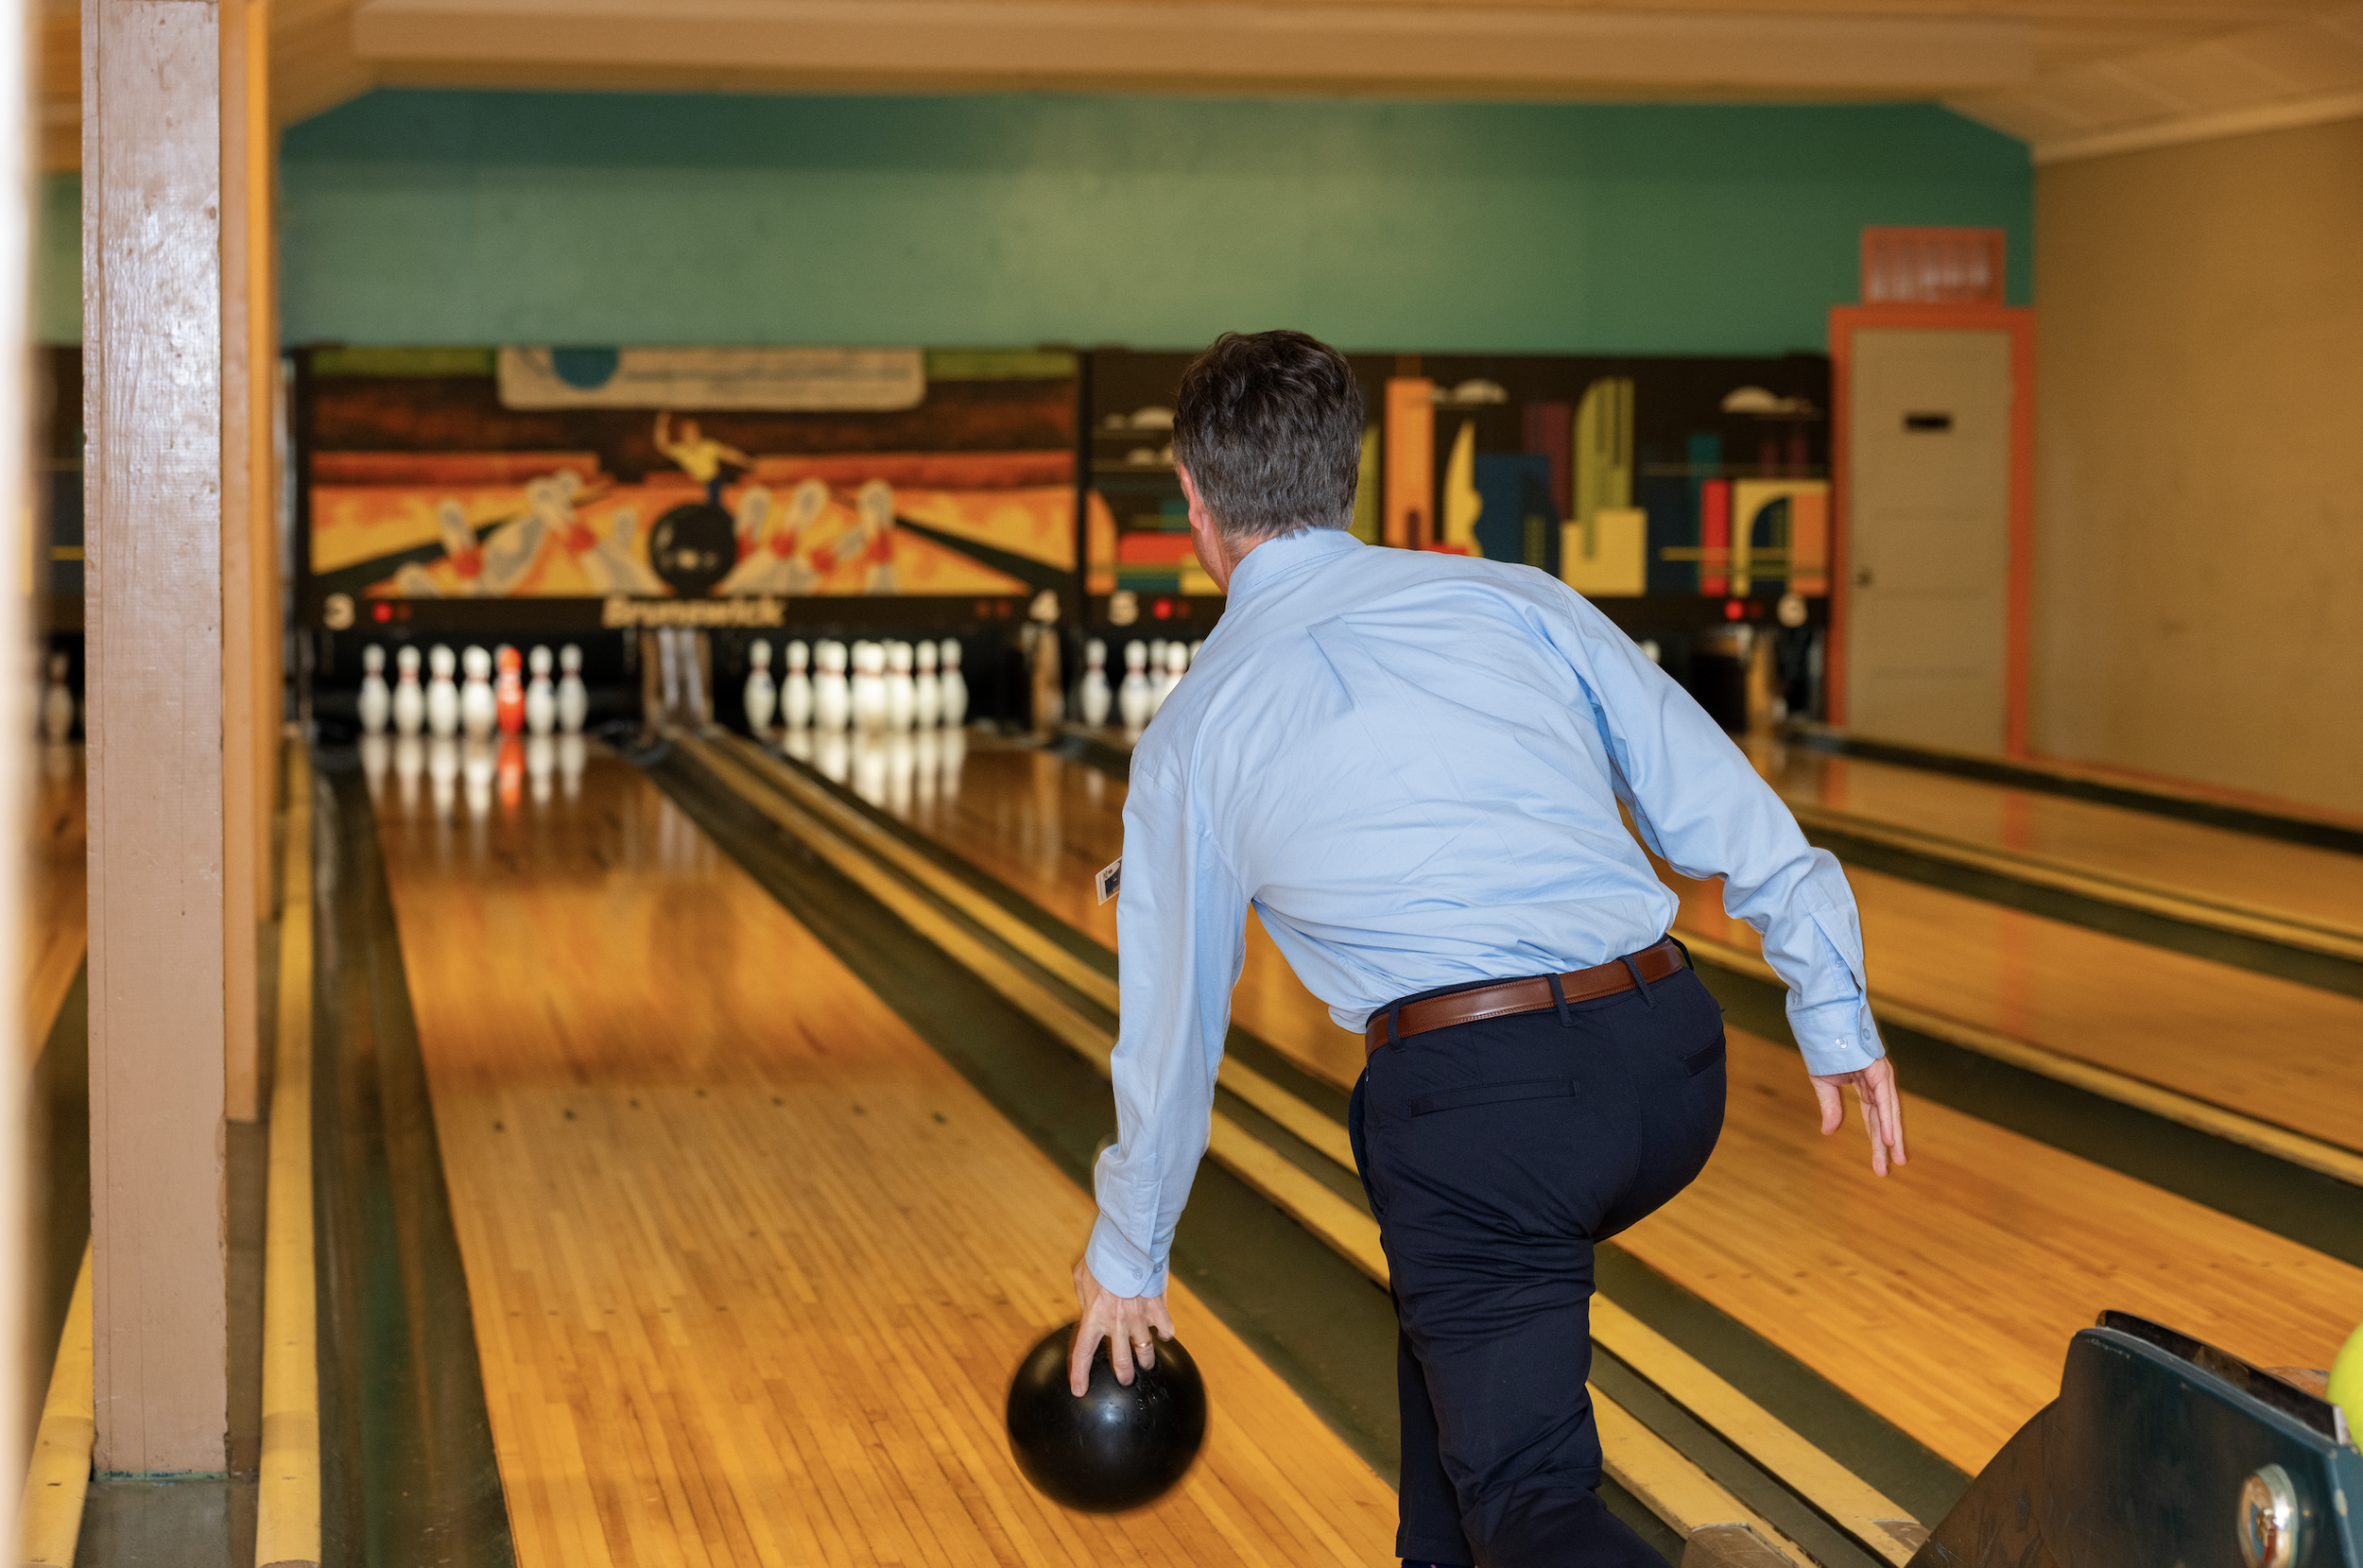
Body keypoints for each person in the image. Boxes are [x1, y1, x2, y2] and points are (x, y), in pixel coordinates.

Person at [1066, 331, 1906, 1567]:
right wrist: (1833, 1003)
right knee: (1454, 1342)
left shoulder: (1196, 730)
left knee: (1528, 1494)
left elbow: (1173, 1034)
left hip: (1486, 1107)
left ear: (1191, 495)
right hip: (1671, 1060)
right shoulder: (1515, 597)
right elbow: (1714, 796)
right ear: (1343, 471)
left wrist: (1129, 1256)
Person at [652, 410, 753, 508]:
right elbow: (662, 446)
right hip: (695, 485)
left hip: (713, 481)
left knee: (715, 504)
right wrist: (661, 424)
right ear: (682, 435)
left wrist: (748, 463)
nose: (691, 434)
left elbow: (731, 455)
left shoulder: (708, 446)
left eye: (693, 431)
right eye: (687, 432)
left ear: (698, 432)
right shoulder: (680, 450)